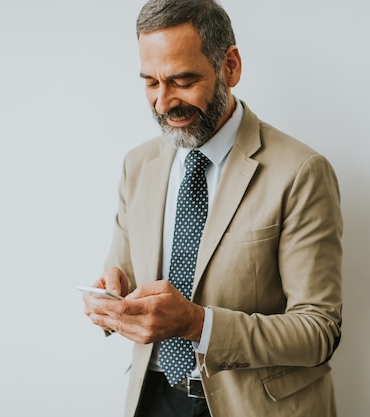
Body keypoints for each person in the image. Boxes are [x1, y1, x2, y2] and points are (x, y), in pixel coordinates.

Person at [82, 1, 343, 416]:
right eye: (151, 82)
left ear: (231, 66)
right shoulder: (138, 165)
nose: (164, 103)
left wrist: (197, 324)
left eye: (183, 81)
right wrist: (111, 300)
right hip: (153, 397)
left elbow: (318, 332)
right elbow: (124, 274)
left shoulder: (301, 172)